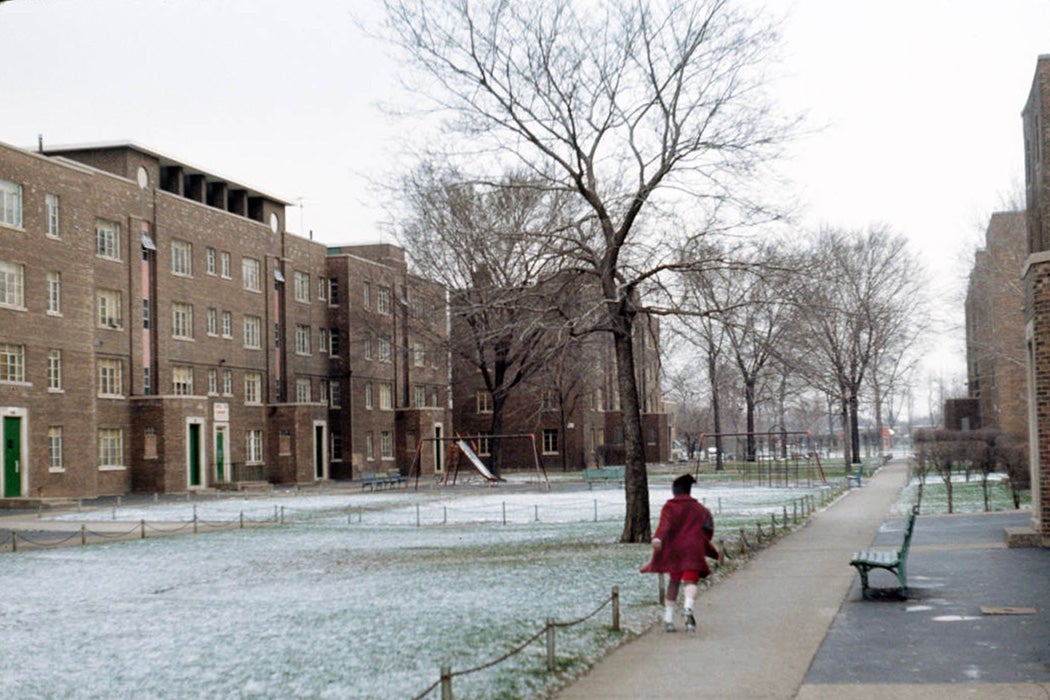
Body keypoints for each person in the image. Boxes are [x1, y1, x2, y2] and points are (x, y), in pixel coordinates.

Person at [640, 473, 720, 632]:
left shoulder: (669, 507)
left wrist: (658, 539)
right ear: (689, 490)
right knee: (691, 581)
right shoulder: (700, 509)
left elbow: (665, 526)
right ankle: (688, 607)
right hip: (693, 549)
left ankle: (668, 618)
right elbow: (708, 526)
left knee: (674, 582)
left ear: (674, 491)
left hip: (675, 550)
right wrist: (703, 540)